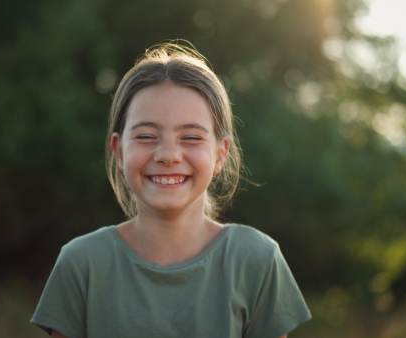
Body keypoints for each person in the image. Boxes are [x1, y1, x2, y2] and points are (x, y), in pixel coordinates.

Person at [31, 41, 311, 338]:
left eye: (190, 137)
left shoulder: (257, 260)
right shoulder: (81, 264)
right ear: (119, 151)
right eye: (146, 136)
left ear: (220, 154)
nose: (168, 155)